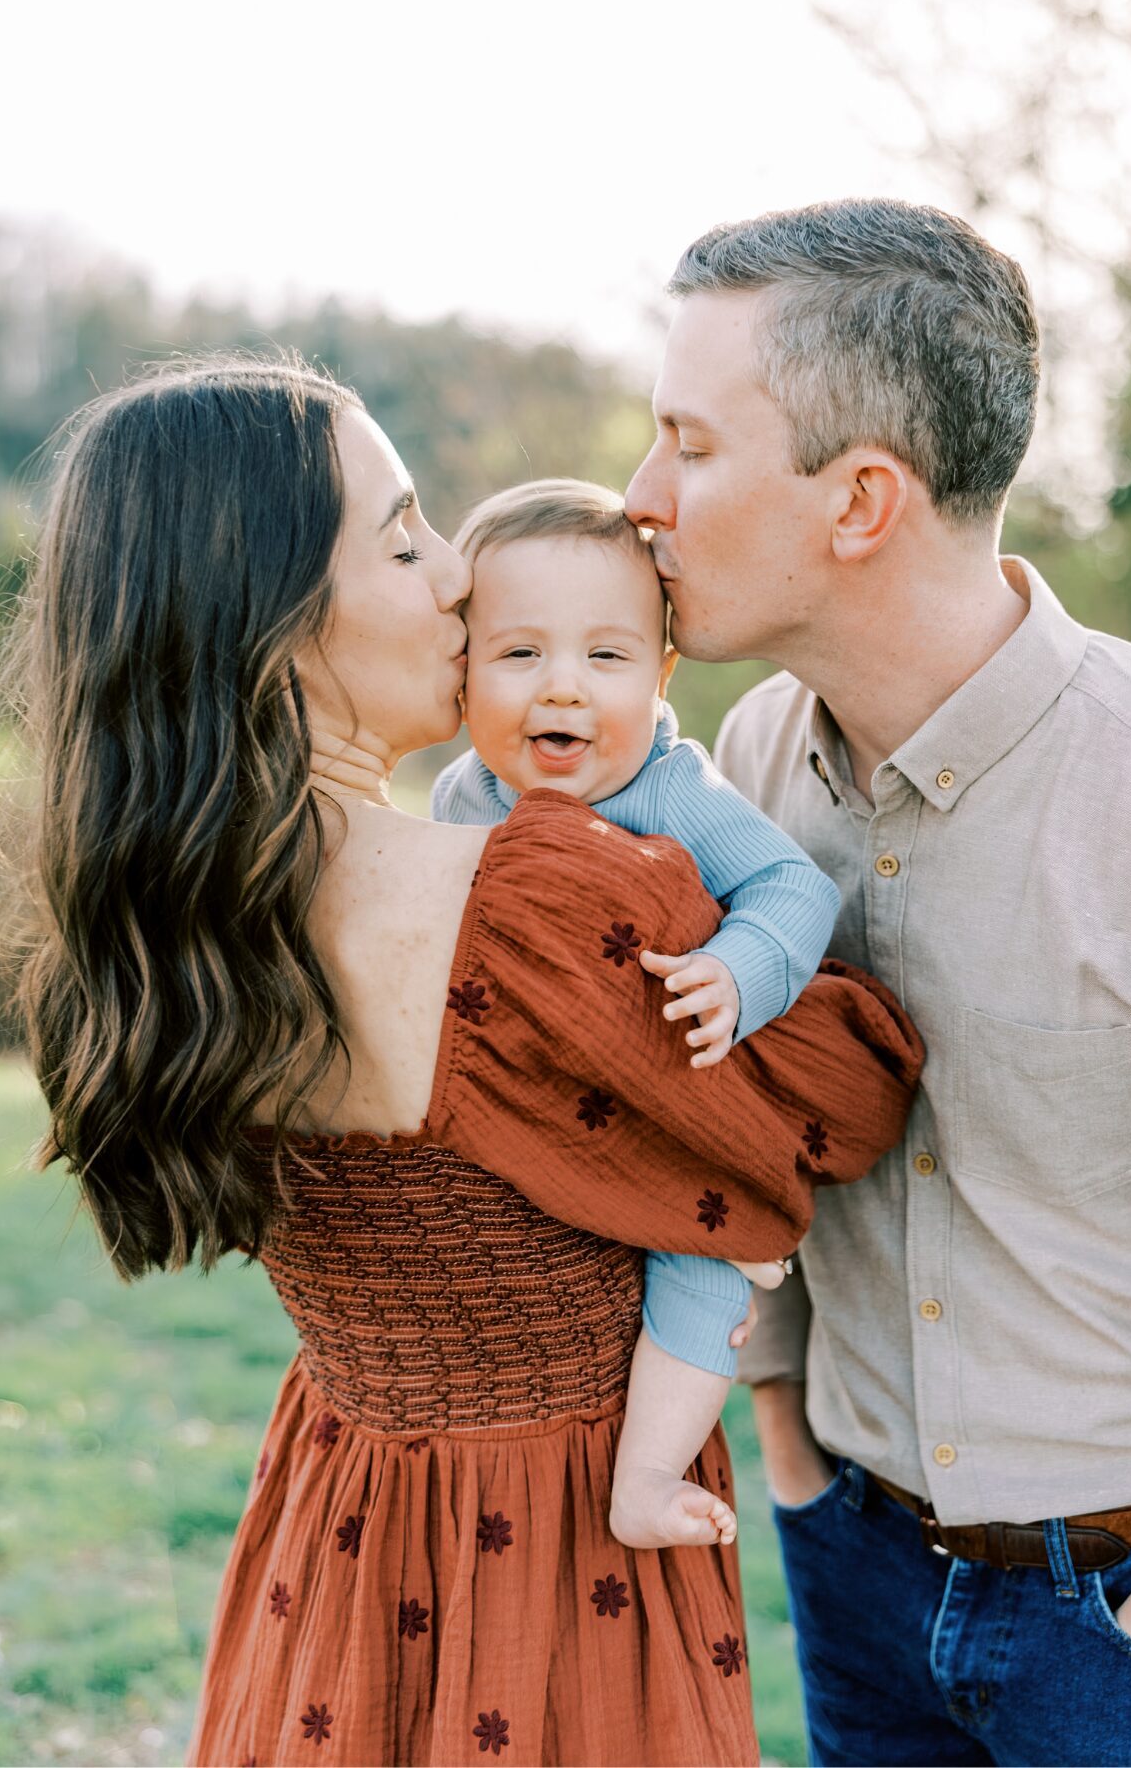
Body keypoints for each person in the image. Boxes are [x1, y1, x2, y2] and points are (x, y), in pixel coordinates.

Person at [1, 354, 924, 1767]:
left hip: (338, 1530)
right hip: (565, 1574)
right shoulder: (535, 898)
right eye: (407, 536)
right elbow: (842, 1098)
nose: (455, 580)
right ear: (276, 616)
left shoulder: (157, 945)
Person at [625, 198, 1131, 1768]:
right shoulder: (743, 767)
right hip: (859, 1572)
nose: (640, 499)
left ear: (858, 498)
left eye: (689, 442)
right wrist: (791, 1447)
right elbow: (754, 1138)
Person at [431, 476, 841, 1552]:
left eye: (605, 658)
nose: (561, 689)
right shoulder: (460, 801)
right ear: (461, 667)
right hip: (545, 1102)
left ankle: (648, 1478)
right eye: (519, 654)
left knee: (694, 1255)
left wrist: (738, 972)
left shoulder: (670, 790)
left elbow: (796, 890)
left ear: (660, 676)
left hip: (672, 1101)